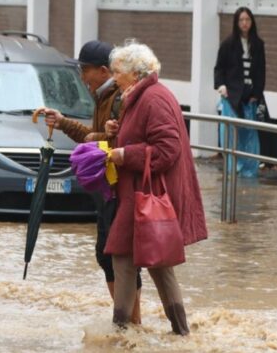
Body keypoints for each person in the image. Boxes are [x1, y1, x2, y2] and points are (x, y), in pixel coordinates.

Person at [105, 40, 207, 336]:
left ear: (134, 74)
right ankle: (180, 333)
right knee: (156, 264)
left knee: (124, 258)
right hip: (140, 195)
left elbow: (167, 149)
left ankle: (120, 334)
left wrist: (124, 155)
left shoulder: (154, 98)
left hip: (147, 196)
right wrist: (117, 132)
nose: (113, 77)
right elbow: (144, 136)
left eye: (117, 72)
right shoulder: (140, 96)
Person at [42, 40, 142, 324]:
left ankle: (131, 323)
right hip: (107, 188)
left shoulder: (120, 98)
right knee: (108, 255)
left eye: (84, 71)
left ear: (102, 71)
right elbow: (96, 137)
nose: (81, 78)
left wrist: (93, 138)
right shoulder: (102, 97)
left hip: (118, 188)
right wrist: (63, 122)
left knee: (115, 256)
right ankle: (130, 324)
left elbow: (117, 141)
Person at [214, 6, 267, 177]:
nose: (245, 23)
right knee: (230, 135)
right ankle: (232, 170)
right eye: (241, 20)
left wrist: (256, 95)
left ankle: (249, 172)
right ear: (237, 23)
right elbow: (219, 68)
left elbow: (261, 71)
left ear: (252, 22)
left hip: (249, 96)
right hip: (231, 96)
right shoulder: (228, 44)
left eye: (247, 20)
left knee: (249, 135)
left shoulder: (258, 45)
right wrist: (221, 87)